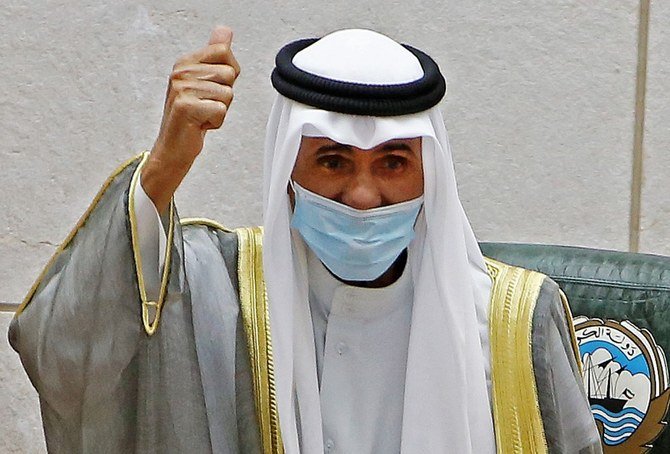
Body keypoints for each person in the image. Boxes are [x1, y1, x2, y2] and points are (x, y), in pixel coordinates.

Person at [9, 26, 602, 453]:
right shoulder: (218, 291)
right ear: (287, 171)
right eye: (334, 162)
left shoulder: (511, 318)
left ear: (432, 171)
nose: (364, 195)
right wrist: (164, 167)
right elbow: (67, 349)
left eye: (393, 163)